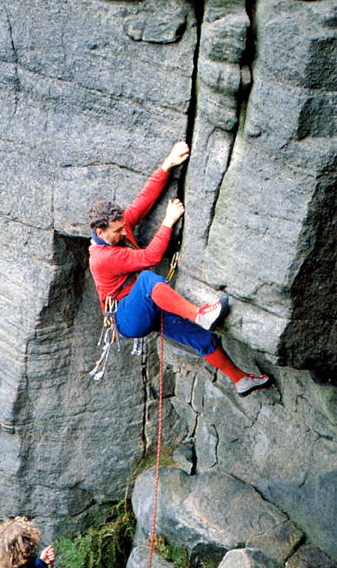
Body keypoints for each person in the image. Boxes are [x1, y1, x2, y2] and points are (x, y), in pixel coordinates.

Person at [88, 141, 269, 396]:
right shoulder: (102, 257)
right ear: (100, 232)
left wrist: (167, 165)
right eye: (117, 230)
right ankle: (199, 314)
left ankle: (241, 380)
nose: (122, 231)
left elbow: (143, 200)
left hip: (146, 307)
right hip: (127, 318)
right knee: (148, 280)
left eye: (121, 227)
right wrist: (168, 221)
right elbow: (151, 257)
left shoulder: (118, 228)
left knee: (203, 340)